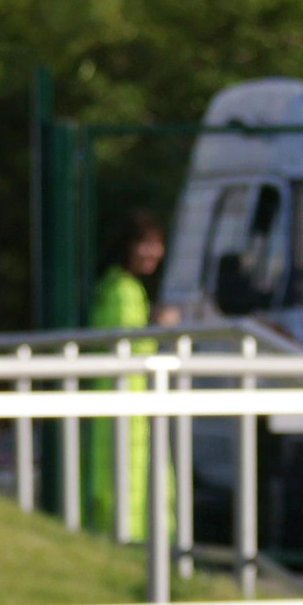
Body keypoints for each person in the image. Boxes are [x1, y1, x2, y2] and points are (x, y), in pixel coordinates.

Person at [84, 208, 181, 538]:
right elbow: (129, 344)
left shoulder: (116, 285)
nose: (154, 252)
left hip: (123, 402)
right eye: (146, 243)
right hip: (126, 403)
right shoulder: (123, 290)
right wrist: (158, 327)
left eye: (158, 243)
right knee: (126, 481)